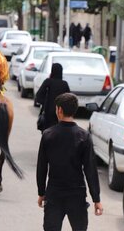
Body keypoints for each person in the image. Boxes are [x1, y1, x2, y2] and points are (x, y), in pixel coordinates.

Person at [37, 93, 103, 231]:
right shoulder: (84, 136)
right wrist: (96, 199)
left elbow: (42, 167)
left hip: (54, 194)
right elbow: (90, 169)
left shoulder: (48, 135)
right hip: (77, 195)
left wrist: (41, 192)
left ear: (59, 110)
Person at [34, 63, 70, 132]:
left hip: (48, 115)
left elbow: (38, 96)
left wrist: (46, 103)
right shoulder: (64, 84)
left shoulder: (48, 82)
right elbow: (69, 99)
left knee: (47, 135)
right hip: (61, 114)